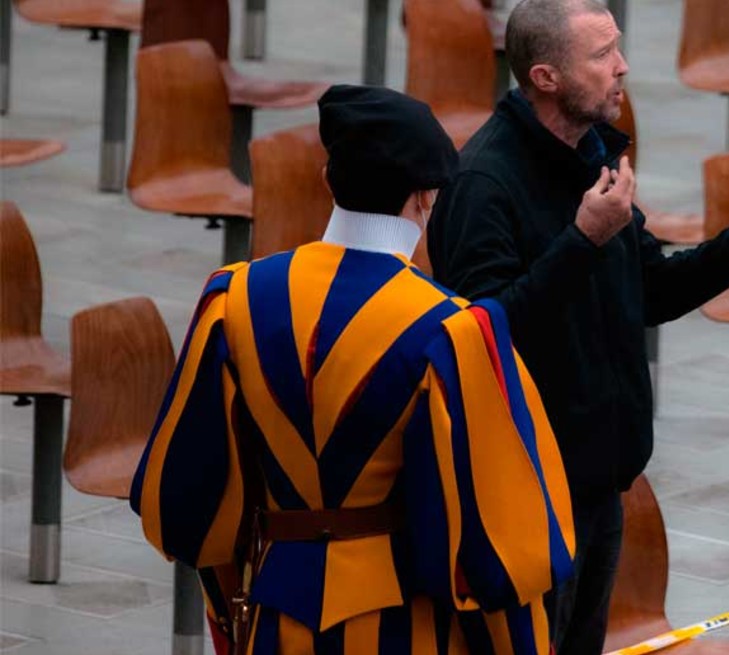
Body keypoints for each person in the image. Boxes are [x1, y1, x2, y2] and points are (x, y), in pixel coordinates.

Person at [131, 84, 575, 655]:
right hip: (402, 625)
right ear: (426, 198)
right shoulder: (453, 330)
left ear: (327, 182)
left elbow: (190, 498)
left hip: (275, 616)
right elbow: (498, 547)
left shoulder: (232, 298)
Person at [427, 0, 729, 650]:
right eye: (602, 54)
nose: (623, 66)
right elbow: (482, 337)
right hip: (525, 492)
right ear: (547, 76)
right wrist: (582, 239)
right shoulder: (484, 183)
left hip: (600, 489)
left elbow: (650, 287)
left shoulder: (591, 157)